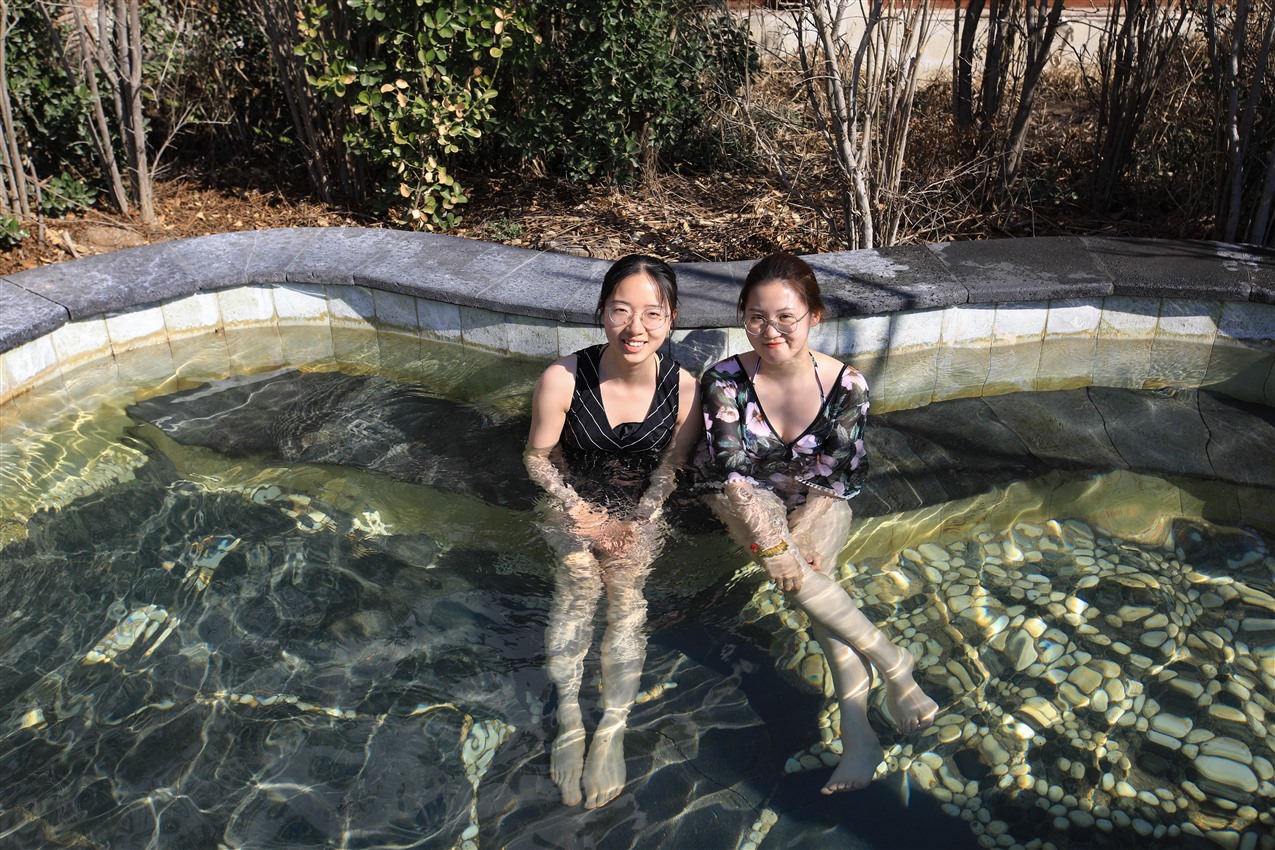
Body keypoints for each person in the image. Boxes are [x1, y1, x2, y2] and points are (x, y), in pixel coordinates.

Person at [697, 251, 939, 794]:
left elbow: (837, 477)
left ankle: (859, 732)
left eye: (786, 316)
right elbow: (734, 474)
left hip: (818, 500)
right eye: (756, 316)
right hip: (743, 499)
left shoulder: (847, 385)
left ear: (814, 317)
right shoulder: (724, 380)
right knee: (802, 578)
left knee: (809, 582)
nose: (770, 330)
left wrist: (800, 539)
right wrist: (776, 547)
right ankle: (892, 666)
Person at [524, 255, 702, 810]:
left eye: (653, 313)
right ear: (602, 312)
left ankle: (613, 728)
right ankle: (573, 718)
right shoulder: (563, 377)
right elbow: (537, 460)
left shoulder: (684, 390)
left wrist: (643, 515)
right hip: (571, 503)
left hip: (638, 509)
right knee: (579, 580)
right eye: (622, 310)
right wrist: (577, 509)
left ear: (671, 320)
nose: (636, 327)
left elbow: (672, 470)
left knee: (626, 596)